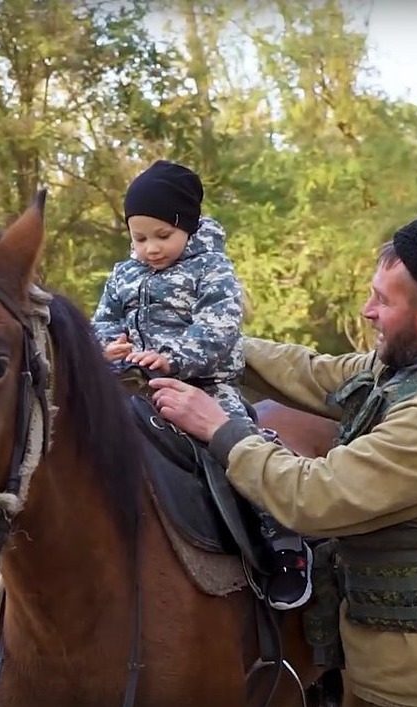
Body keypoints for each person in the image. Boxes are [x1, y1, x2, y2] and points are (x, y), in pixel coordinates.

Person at [148, 208, 417, 707]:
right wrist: (200, 346)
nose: (367, 311)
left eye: (381, 300)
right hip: (384, 662)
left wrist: (219, 428)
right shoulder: (410, 371)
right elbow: (311, 372)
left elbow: (314, 494)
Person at [90, 159, 312, 611]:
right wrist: (106, 348)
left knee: (239, 443)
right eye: (140, 238)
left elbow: (219, 328)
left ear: (187, 227)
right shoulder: (123, 275)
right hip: (134, 384)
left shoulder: (212, 270)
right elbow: (103, 320)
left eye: (162, 236)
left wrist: (175, 357)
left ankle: (284, 544)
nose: (150, 248)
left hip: (205, 383)